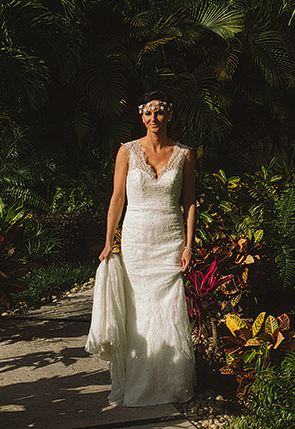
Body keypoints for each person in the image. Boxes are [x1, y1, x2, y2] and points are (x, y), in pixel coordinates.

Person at [86, 90, 196, 406]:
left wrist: (189, 246)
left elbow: (189, 202)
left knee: (168, 308)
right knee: (137, 310)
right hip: (135, 240)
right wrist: (109, 242)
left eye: (159, 112)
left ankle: (171, 383)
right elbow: (117, 199)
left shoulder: (185, 154)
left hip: (169, 240)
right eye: (147, 113)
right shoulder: (127, 151)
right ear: (141, 117)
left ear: (170, 115)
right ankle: (136, 382)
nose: (153, 119)